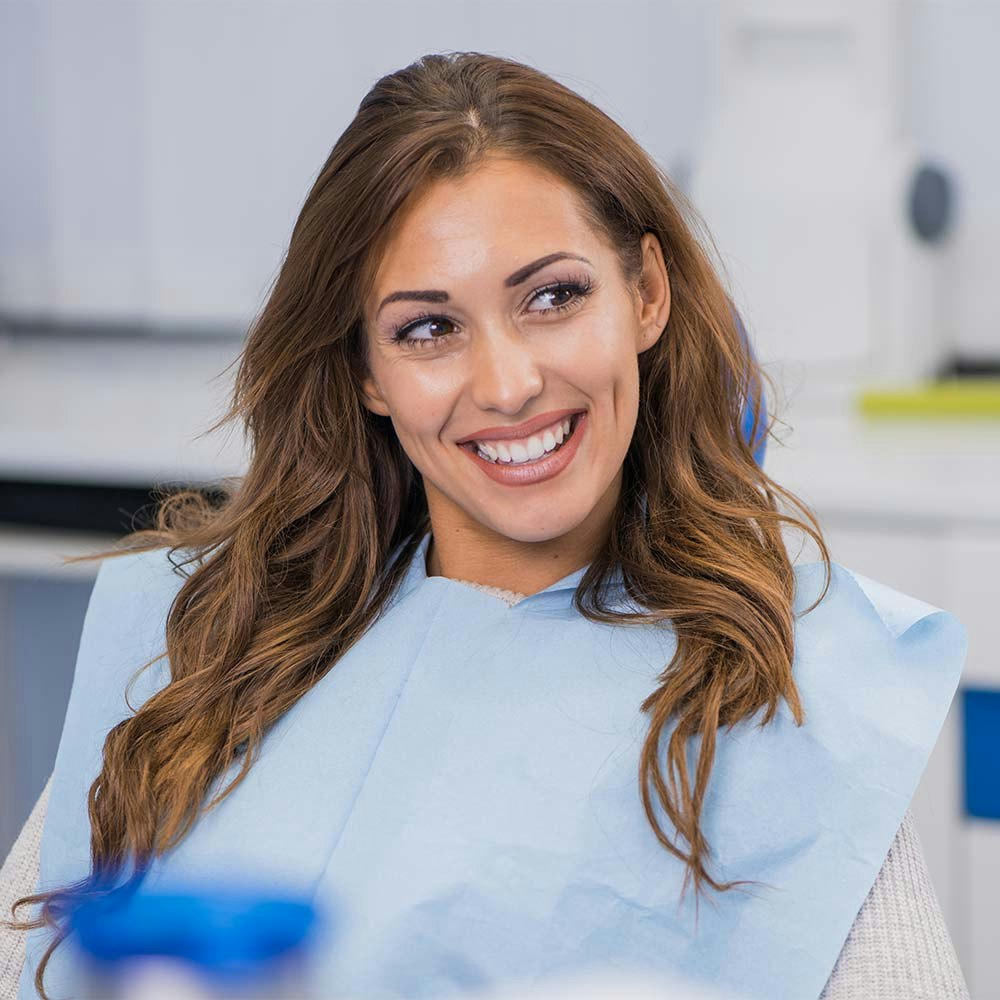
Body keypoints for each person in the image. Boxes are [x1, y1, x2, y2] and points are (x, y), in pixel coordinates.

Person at [1, 51, 969, 1000]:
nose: (507, 386)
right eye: (429, 328)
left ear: (646, 293)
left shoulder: (789, 685)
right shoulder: (205, 646)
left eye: (553, 296)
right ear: (368, 374)